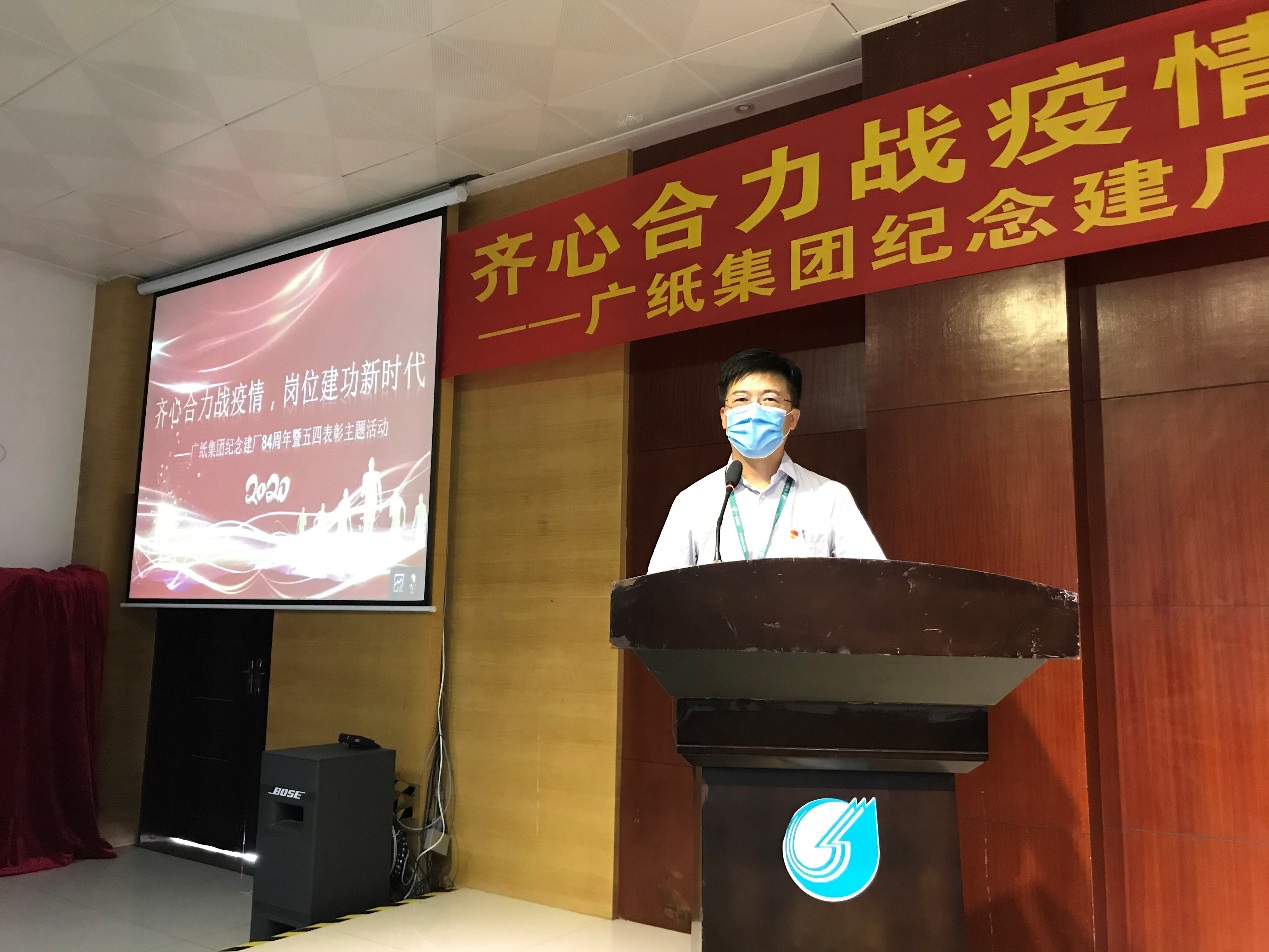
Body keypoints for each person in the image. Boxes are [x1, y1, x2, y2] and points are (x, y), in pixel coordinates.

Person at [646, 348, 884, 573]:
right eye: (741, 400)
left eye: (769, 399)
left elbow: (872, 583)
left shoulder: (830, 497)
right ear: (724, 417)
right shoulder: (692, 502)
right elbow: (659, 592)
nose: (754, 411)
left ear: (792, 418)